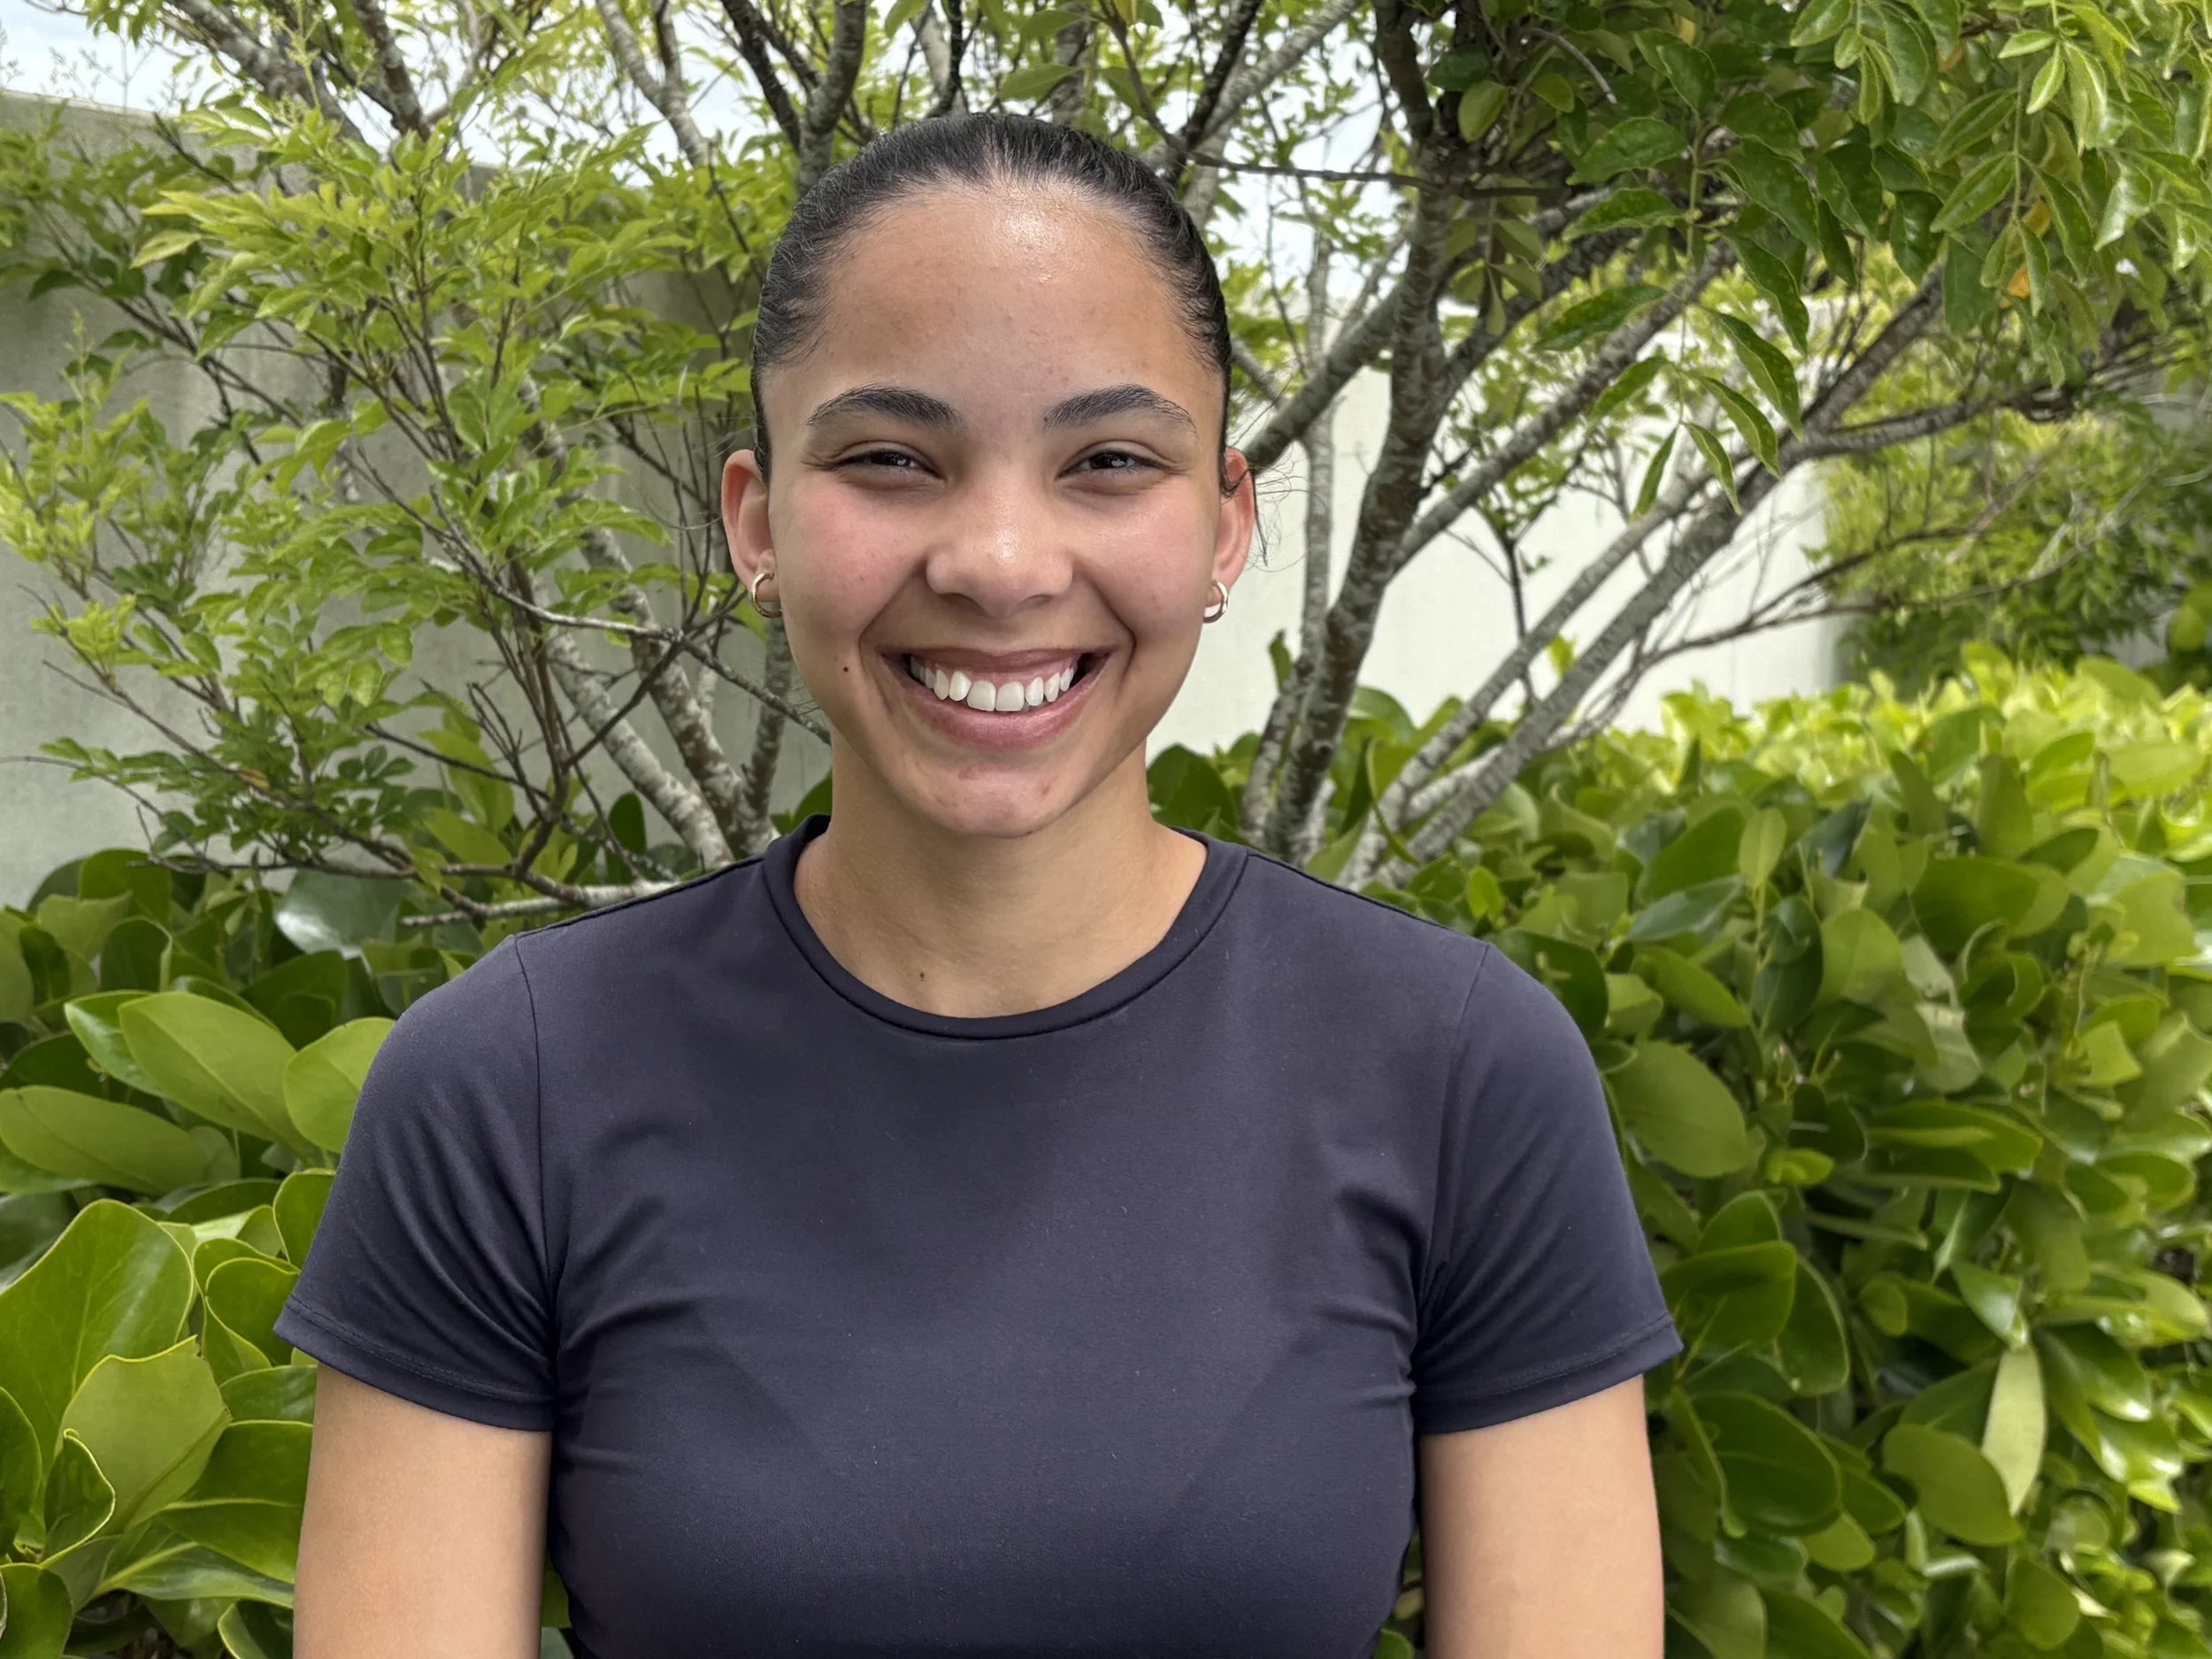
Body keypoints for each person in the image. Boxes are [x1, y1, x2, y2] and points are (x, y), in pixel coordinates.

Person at [279, 113, 1682, 1659]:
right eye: (892, 458)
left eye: (1108, 462)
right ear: (756, 520)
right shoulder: (512, 1087)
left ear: (1223, 522)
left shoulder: (1462, 1074)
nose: (1002, 561)